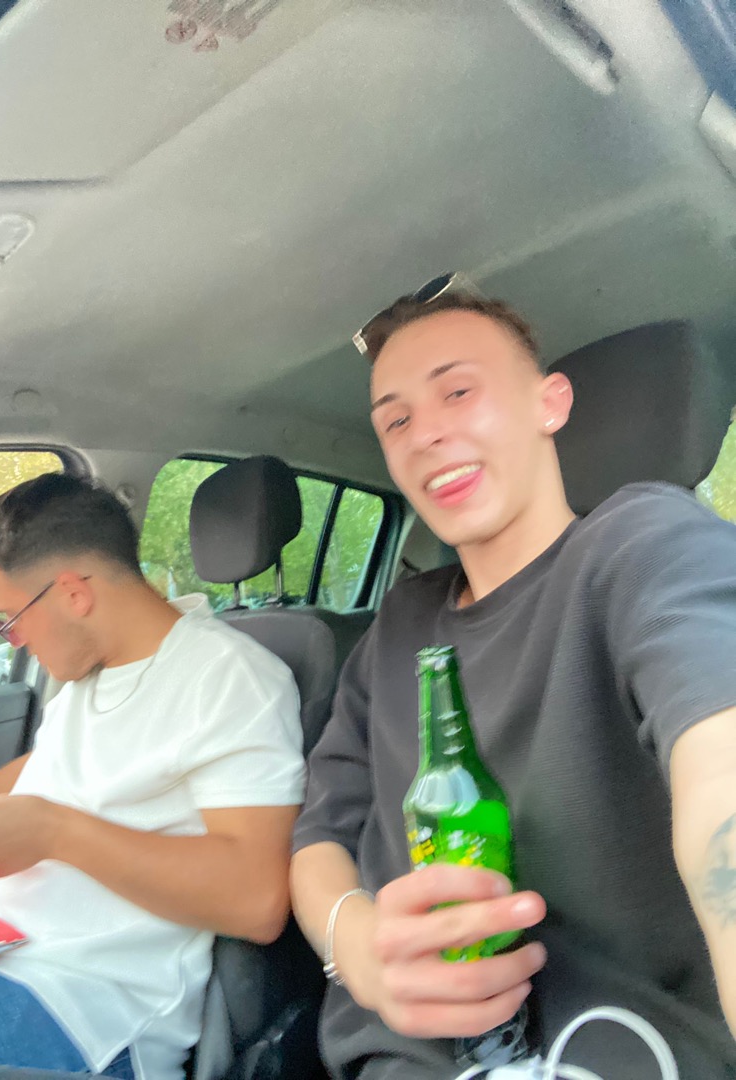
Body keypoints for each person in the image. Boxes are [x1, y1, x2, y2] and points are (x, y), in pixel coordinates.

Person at [290, 282, 736, 1079]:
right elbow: (317, 839)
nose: (426, 433)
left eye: (458, 391)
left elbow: (721, 764)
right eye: (395, 421)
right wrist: (356, 946)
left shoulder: (643, 546)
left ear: (549, 403)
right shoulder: (398, 627)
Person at [0, 473, 305, 1079]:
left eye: (10, 619)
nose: (13, 638)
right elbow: (44, 766)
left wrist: (55, 833)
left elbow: (257, 900)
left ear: (74, 593)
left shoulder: (228, 677)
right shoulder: (87, 677)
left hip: (79, 1002)